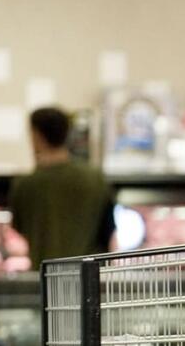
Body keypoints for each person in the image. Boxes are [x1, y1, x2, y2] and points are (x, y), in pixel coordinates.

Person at [8, 106, 113, 266]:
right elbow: (108, 231)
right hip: (87, 279)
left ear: (37, 136)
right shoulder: (95, 178)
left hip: (44, 279)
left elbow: (19, 228)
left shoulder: (25, 184)